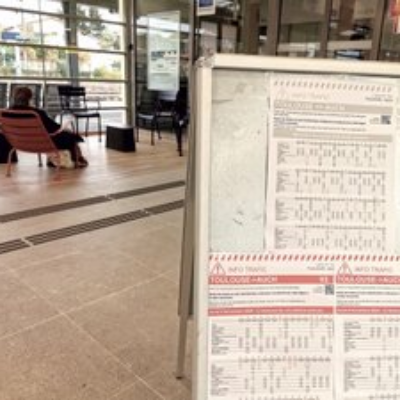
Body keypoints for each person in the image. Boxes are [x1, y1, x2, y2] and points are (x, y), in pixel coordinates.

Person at [10, 86, 88, 168]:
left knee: (62, 136)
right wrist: (65, 128)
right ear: (29, 99)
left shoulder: (7, 113)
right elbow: (53, 128)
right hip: (41, 143)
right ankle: (77, 160)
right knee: (69, 136)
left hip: (18, 143)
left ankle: (56, 160)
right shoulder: (36, 113)